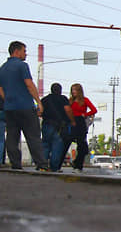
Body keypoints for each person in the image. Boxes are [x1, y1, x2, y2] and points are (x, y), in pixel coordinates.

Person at [0, 41, 49, 170]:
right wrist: (38, 101)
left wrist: (7, 100)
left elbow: (0, 89)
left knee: (12, 136)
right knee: (33, 136)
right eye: (24, 51)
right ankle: (41, 164)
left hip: (9, 108)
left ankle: (16, 164)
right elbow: (29, 84)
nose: (25, 54)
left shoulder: (3, 68)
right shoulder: (22, 66)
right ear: (16, 51)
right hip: (25, 106)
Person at [41, 83, 75, 171]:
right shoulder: (63, 99)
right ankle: (54, 167)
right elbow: (67, 110)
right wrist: (72, 121)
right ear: (60, 90)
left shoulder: (45, 99)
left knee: (45, 145)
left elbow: (39, 112)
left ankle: (42, 165)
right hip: (59, 126)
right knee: (57, 146)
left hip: (47, 124)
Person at [65, 83, 97, 171]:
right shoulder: (70, 100)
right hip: (72, 121)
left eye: (75, 90)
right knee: (67, 142)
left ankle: (78, 164)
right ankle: (60, 162)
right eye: (72, 90)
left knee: (82, 145)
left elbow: (94, 110)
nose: (73, 92)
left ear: (79, 91)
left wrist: (85, 114)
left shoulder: (85, 100)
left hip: (80, 122)